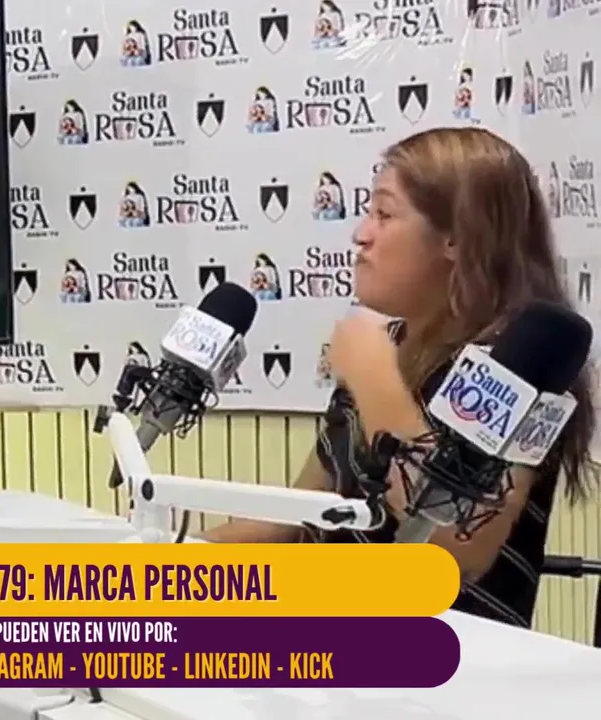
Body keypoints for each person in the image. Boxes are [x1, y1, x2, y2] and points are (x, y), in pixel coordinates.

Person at [203, 127, 598, 629]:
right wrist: (152, 565)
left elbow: (458, 548)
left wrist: (377, 384)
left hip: (446, 655)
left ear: (456, 238)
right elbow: (304, 515)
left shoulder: (520, 363)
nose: (360, 234)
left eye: (384, 215)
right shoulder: (387, 347)